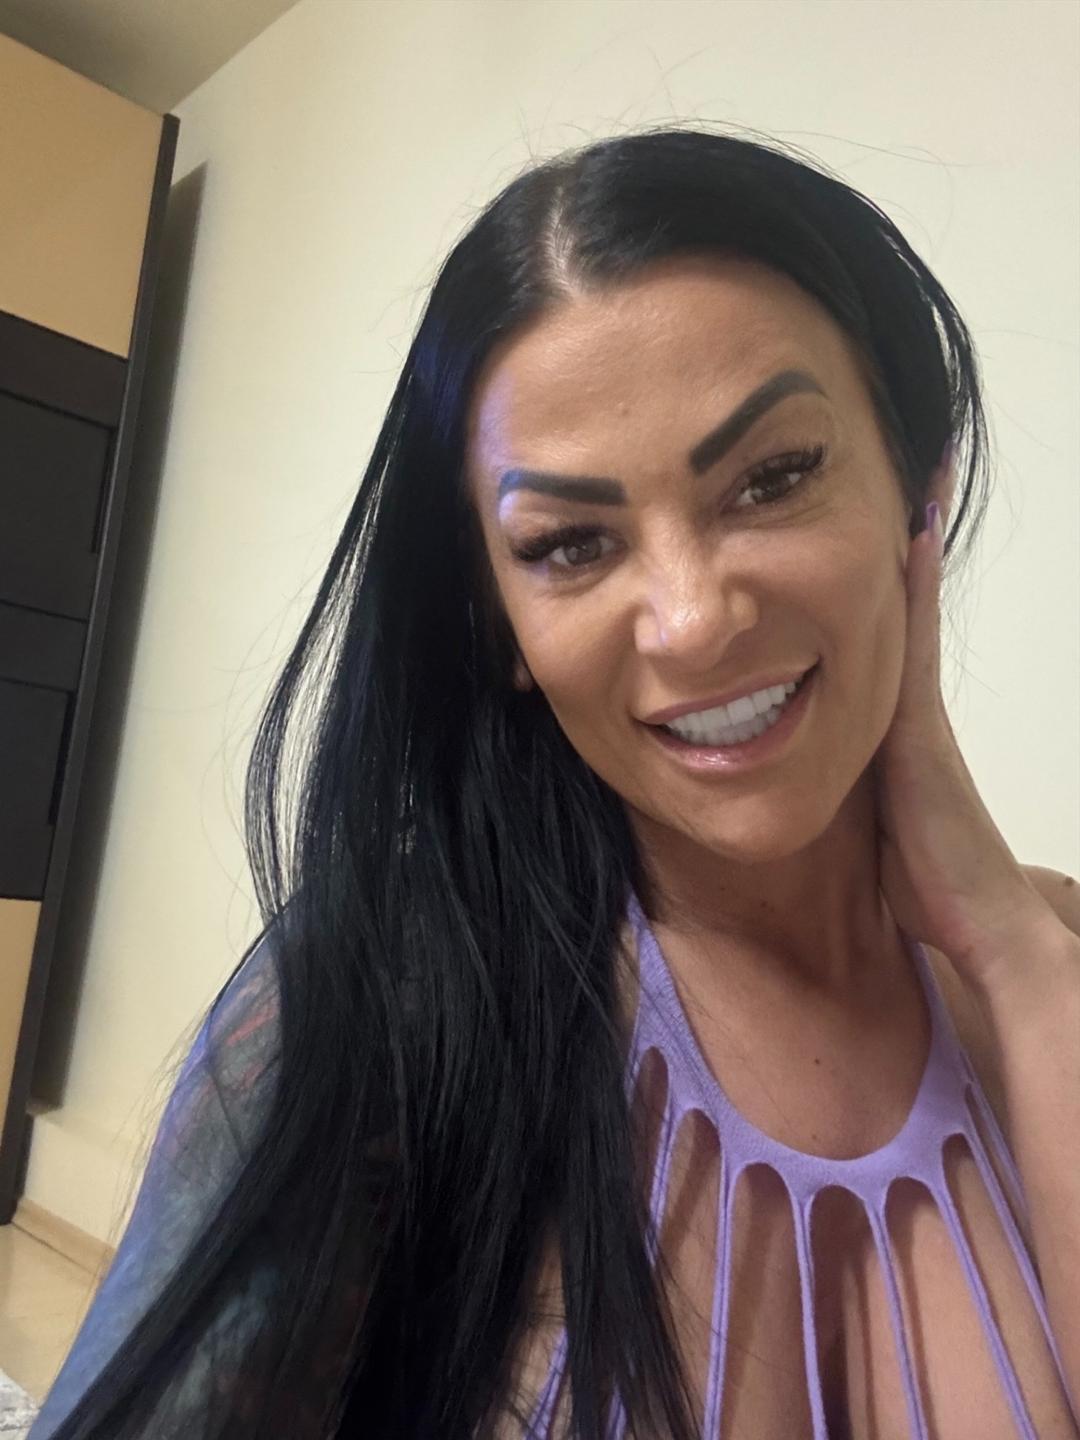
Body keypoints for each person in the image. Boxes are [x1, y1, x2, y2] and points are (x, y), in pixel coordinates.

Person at [27, 124, 1078, 1439]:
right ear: (499, 622)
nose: (692, 621)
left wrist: (1017, 953)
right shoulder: (381, 1001)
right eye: (571, 544)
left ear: (920, 494)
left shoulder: (1049, 960)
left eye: (774, 477)